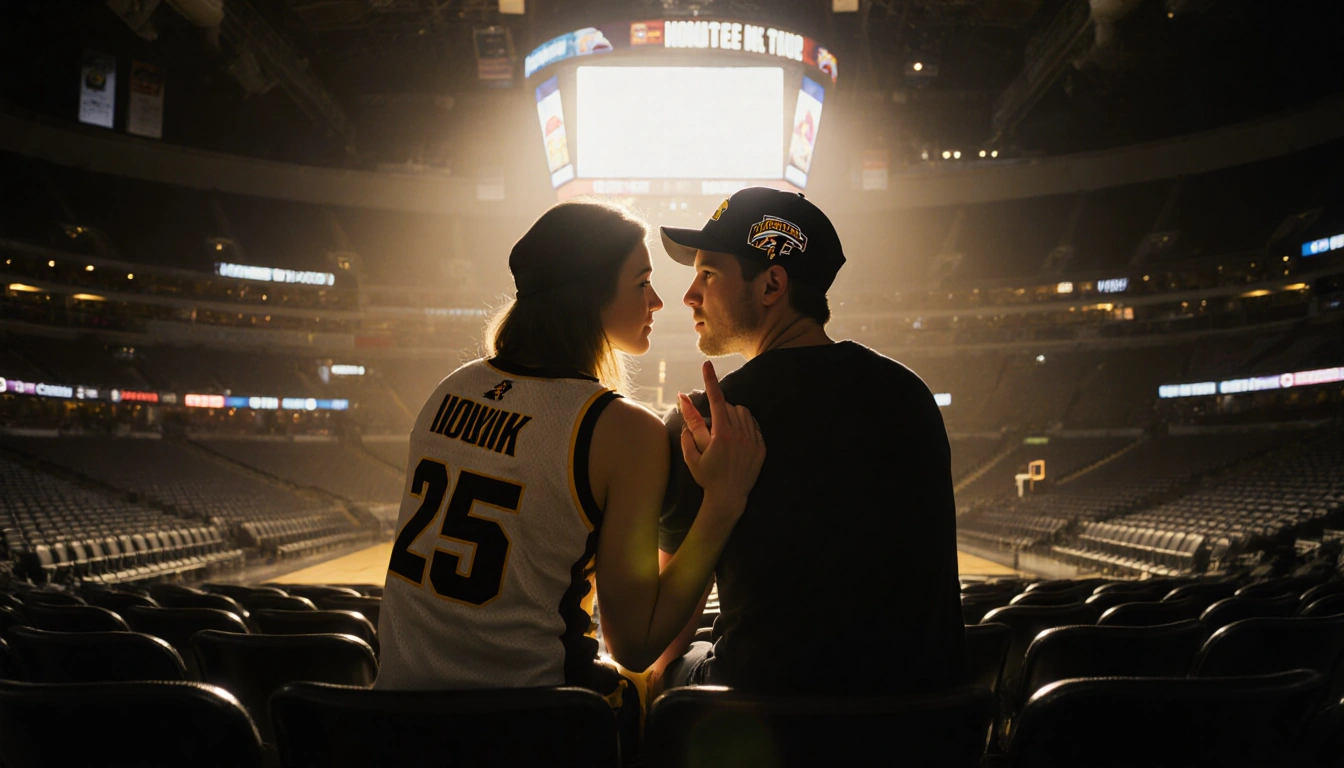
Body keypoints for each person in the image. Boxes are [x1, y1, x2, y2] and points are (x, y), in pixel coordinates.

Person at [373, 199, 766, 749]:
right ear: (589, 297)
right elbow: (637, 643)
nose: (656, 301)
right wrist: (721, 504)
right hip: (535, 728)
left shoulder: (450, 388)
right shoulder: (621, 429)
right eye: (641, 283)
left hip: (388, 727)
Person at [653, 186, 967, 695]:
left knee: (664, 671)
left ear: (772, 284)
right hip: (924, 727)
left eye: (708, 274)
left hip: (769, 728)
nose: (690, 295)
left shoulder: (707, 422)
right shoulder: (911, 394)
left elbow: (663, 633)